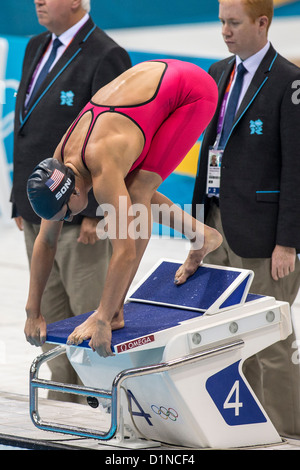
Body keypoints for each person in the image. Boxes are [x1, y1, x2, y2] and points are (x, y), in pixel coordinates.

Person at [24, 59, 222, 359]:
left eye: (65, 214)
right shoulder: (59, 166)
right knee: (131, 194)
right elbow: (46, 239)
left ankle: (116, 312)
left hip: (192, 92)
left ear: (75, 191)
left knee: (136, 193)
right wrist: (32, 310)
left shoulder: (102, 170)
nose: (68, 219)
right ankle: (202, 236)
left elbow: (125, 251)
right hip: (156, 80)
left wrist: (104, 317)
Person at [11, 0, 131, 400]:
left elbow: (114, 140)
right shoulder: (35, 46)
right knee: (51, 326)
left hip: (81, 219)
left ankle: (102, 411)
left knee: (89, 322)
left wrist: (97, 215)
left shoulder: (106, 54)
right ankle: (62, 412)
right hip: (39, 210)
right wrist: (19, 200)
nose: (38, 1)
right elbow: (26, 128)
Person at [191, 0, 300, 438]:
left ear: (262, 23)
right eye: (221, 22)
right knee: (225, 341)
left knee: (270, 343)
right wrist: (198, 229)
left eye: (233, 23)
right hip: (218, 227)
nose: (225, 31)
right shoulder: (219, 73)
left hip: (264, 237)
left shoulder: (290, 82)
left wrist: (288, 242)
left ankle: (290, 432)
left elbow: (296, 167)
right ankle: (244, 428)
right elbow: (206, 157)